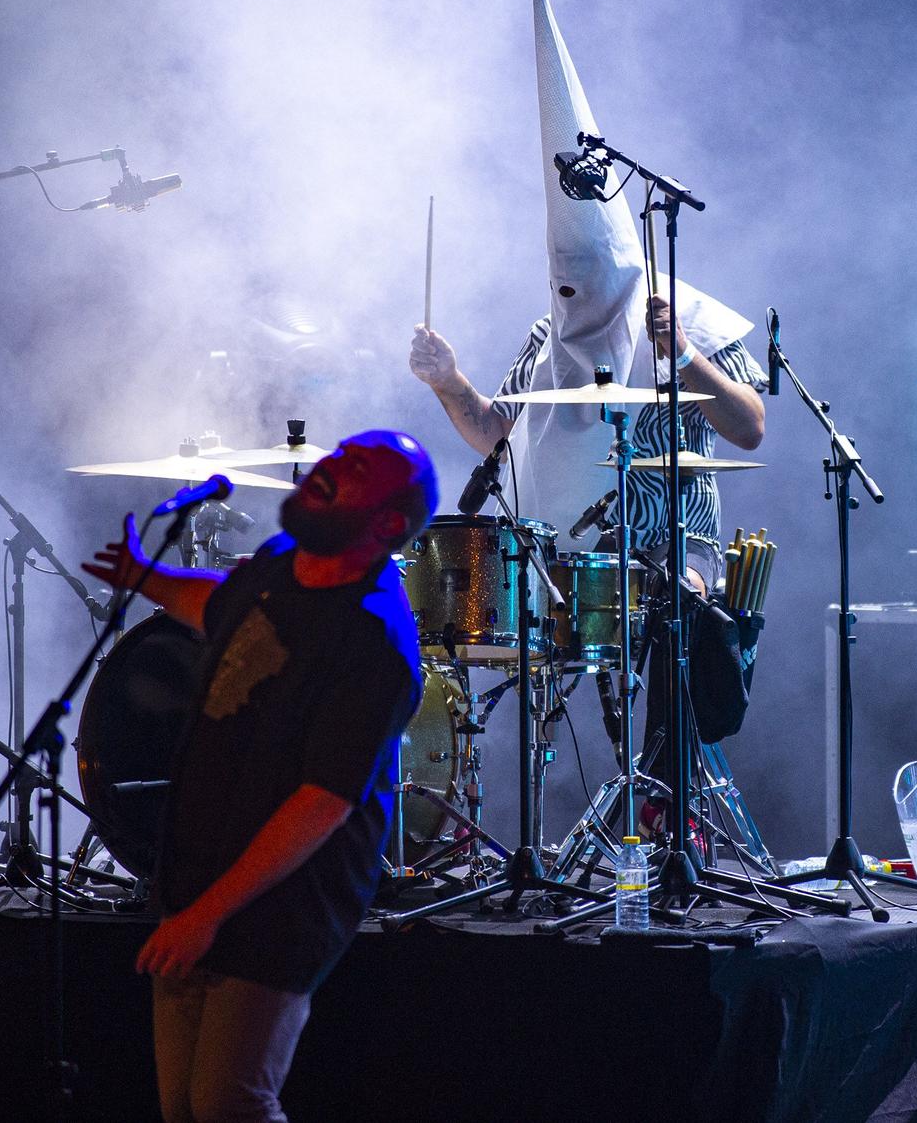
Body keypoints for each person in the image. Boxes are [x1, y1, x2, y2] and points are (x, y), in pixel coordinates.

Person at [82, 430, 437, 1123]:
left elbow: (321, 803)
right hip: (199, 874)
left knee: (228, 1102)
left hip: (283, 900)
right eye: (338, 453)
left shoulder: (374, 637)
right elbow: (219, 604)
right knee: (184, 1106)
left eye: (356, 468)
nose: (329, 466)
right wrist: (145, 577)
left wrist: (206, 915)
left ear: (387, 522)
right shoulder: (282, 562)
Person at [408, 289, 766, 585]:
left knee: (676, 591)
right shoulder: (552, 333)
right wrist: (446, 380)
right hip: (576, 533)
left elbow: (749, 428)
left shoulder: (699, 322)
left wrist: (683, 350)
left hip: (678, 539)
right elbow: (503, 437)